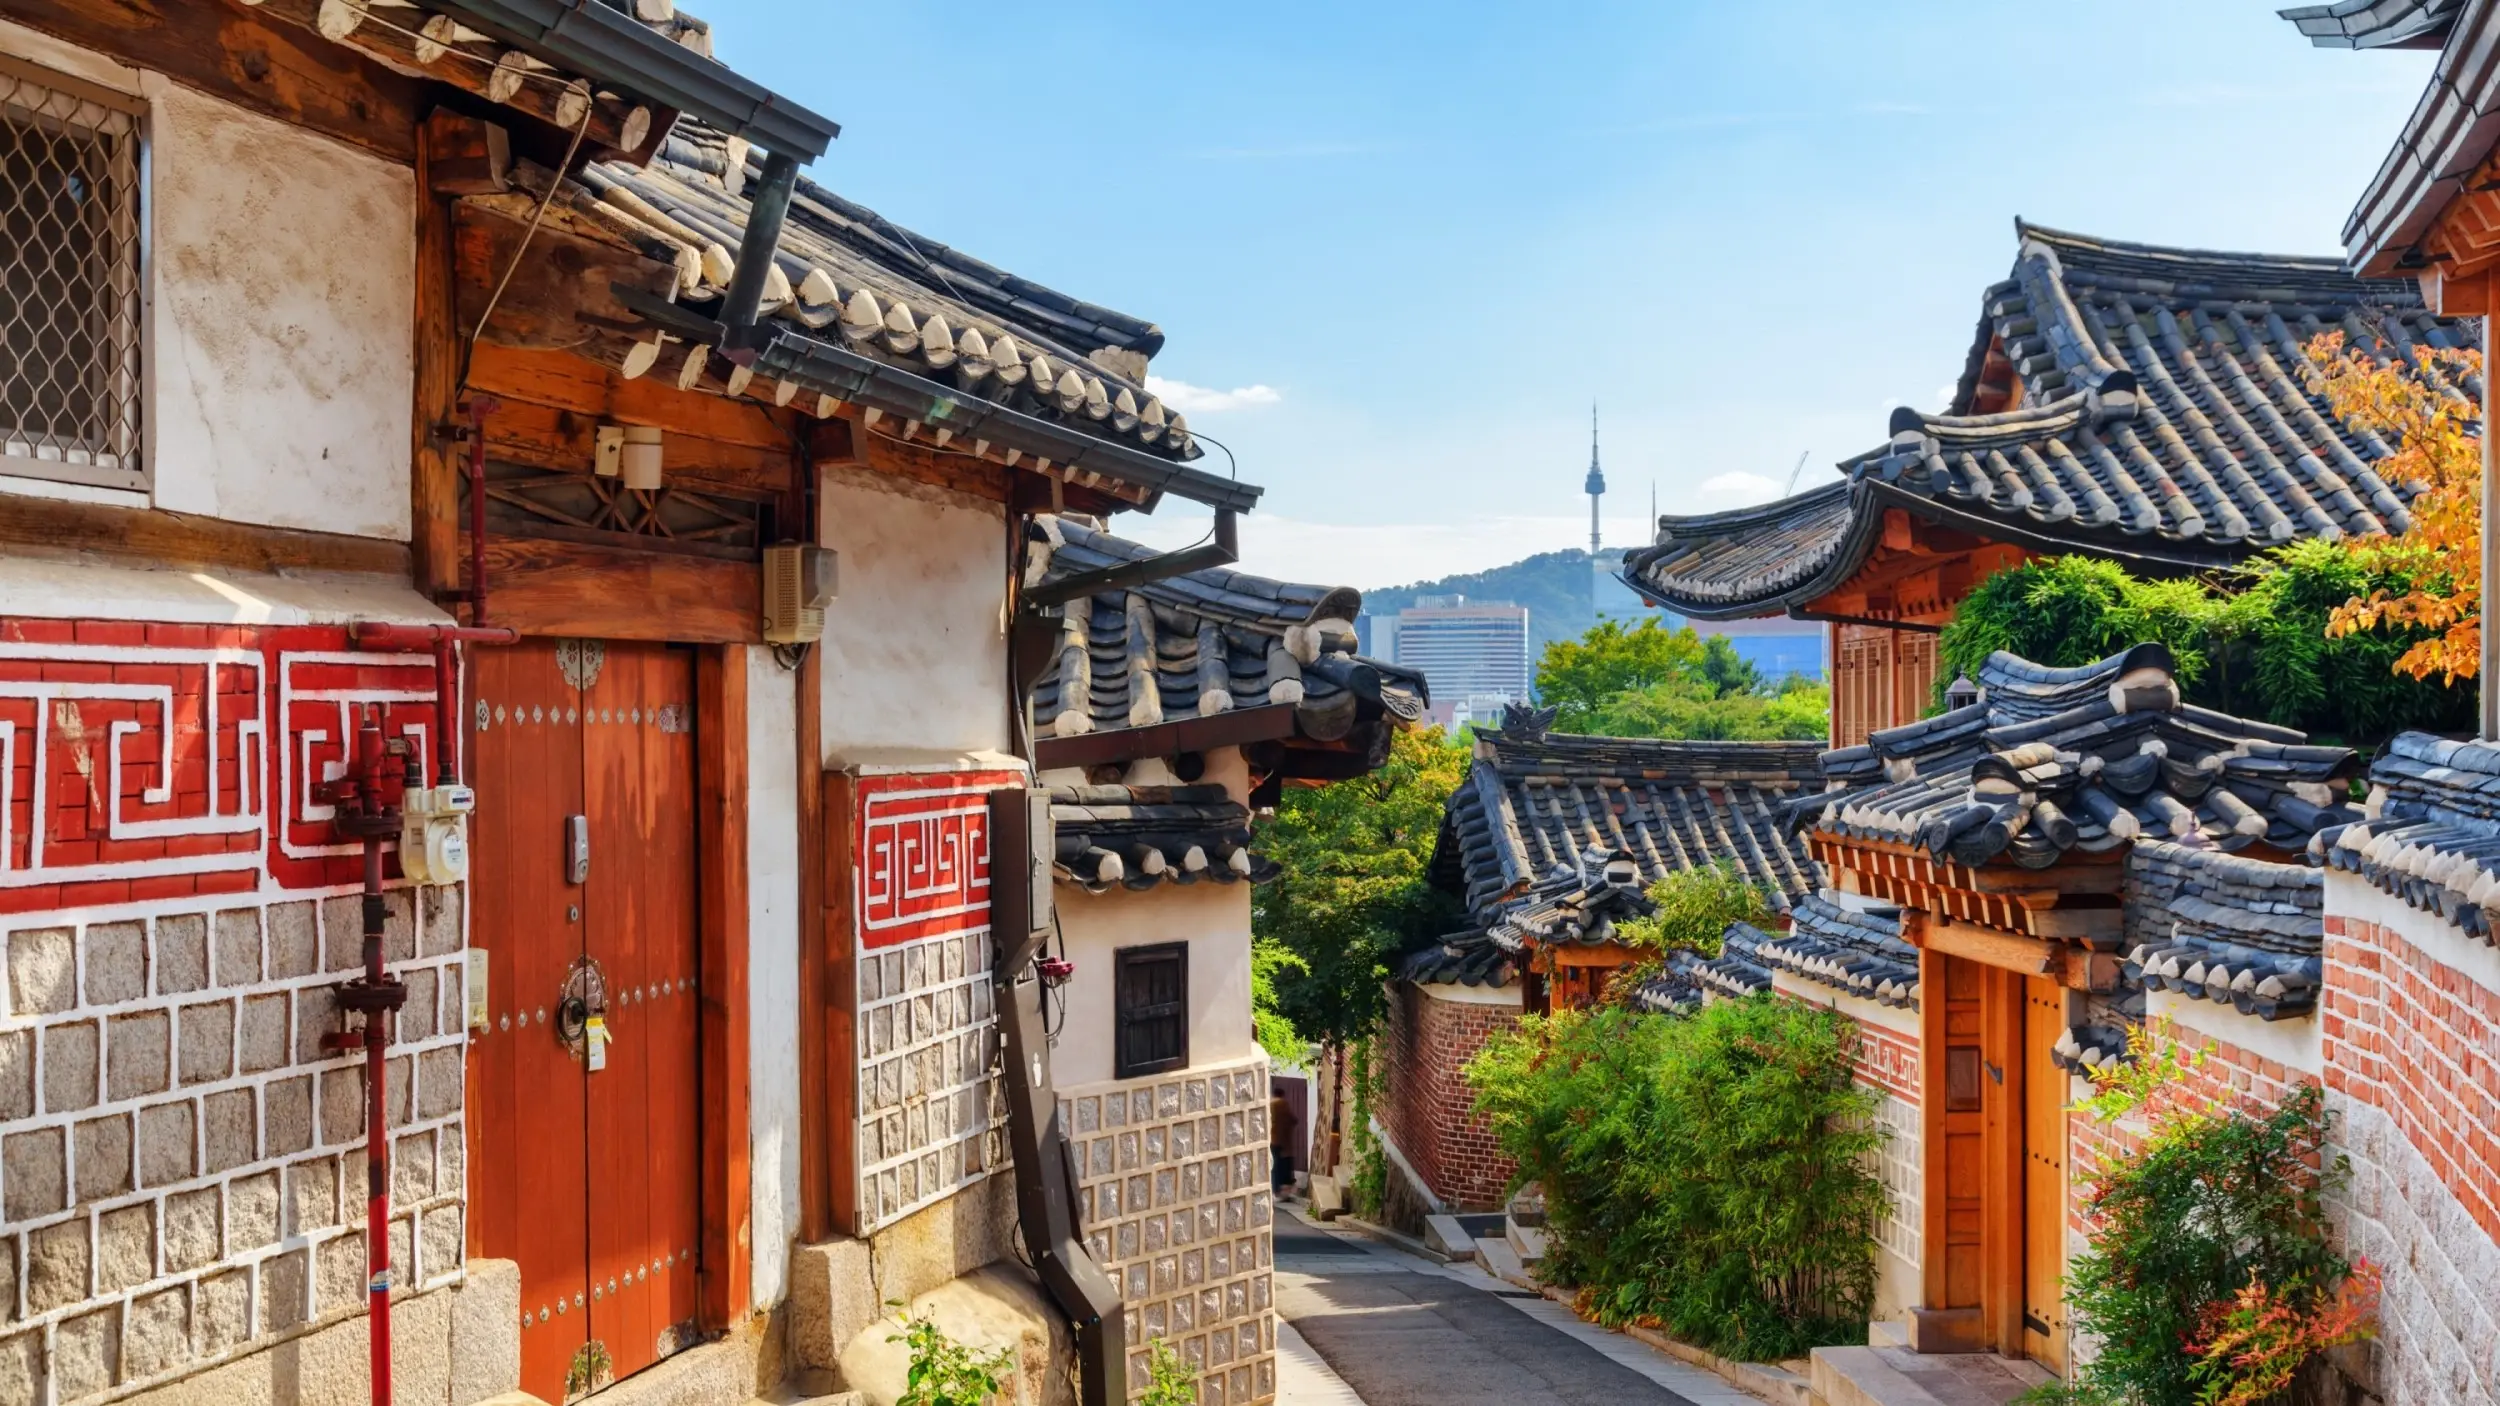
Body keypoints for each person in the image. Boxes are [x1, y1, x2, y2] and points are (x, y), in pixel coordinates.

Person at [1269, 1091, 1298, 1193]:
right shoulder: (1282, 1104)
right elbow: (1293, 1120)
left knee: (1274, 1165)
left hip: (1272, 1140)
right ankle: (1280, 1187)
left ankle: (1275, 1188)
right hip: (1282, 1141)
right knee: (1279, 1164)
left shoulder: (1270, 1104)